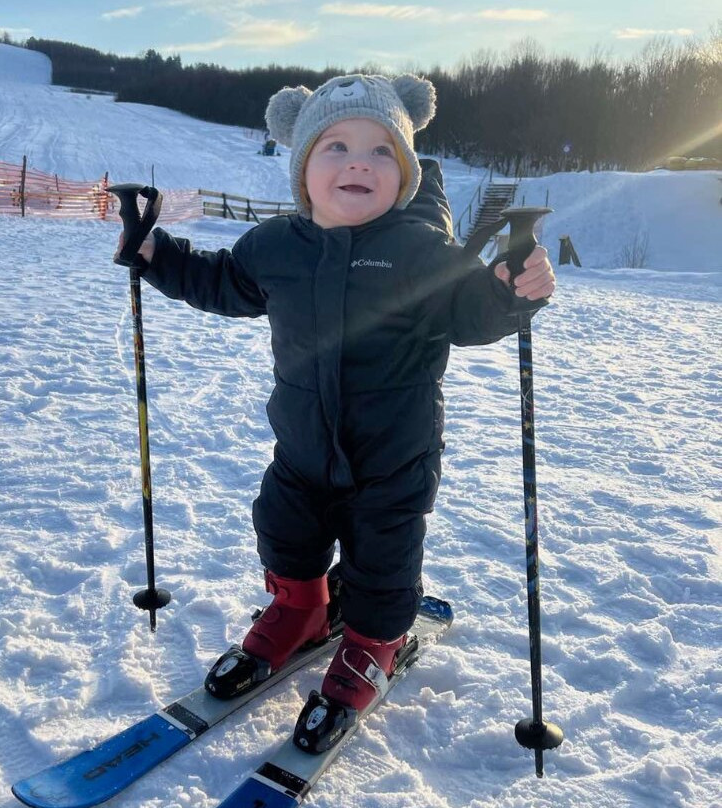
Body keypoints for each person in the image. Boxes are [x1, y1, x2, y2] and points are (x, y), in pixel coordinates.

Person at [117, 73, 555, 728]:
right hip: (302, 449)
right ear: (303, 168)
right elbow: (222, 282)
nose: (359, 161)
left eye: (383, 150)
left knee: (383, 563)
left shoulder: (422, 253)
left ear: (404, 173)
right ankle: (300, 610)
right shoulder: (276, 247)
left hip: (393, 458)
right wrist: (155, 253)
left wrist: (509, 293)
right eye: (336, 147)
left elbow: (469, 313)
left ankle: (374, 642)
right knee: (283, 528)